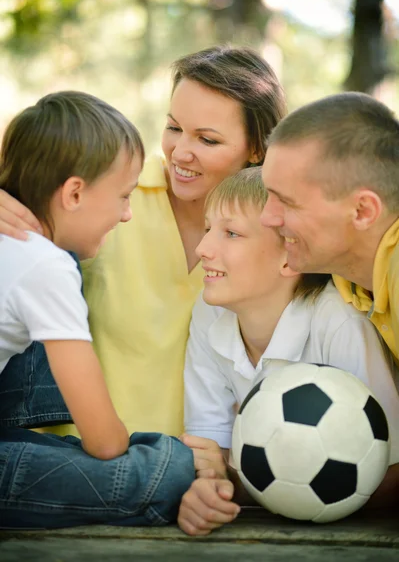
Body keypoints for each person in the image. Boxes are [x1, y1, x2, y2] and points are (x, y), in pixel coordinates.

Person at [0, 45, 286, 437]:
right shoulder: (109, 196)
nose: (180, 152)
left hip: (192, 467)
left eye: (207, 140)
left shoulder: (279, 231)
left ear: (256, 149)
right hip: (76, 456)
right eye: (173, 128)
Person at [0, 91, 195, 528]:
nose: (128, 214)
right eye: (124, 196)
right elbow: (107, 446)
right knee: (167, 469)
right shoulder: (45, 265)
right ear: (74, 193)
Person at [177, 167, 399, 536]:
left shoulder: (339, 323)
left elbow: (391, 468)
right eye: (207, 229)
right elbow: (209, 449)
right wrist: (207, 489)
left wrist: (263, 491)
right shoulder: (209, 311)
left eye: (230, 233)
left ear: (289, 257)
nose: (202, 249)